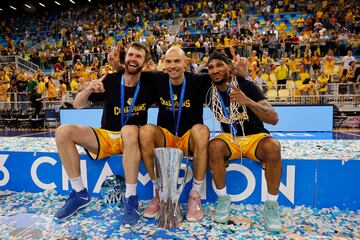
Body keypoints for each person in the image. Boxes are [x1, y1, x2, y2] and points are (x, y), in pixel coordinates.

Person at [54, 42, 155, 226]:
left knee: (130, 129)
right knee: (63, 132)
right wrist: (89, 89)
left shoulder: (150, 83)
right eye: (131, 54)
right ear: (126, 58)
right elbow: (77, 104)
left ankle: (131, 197)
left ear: (145, 62)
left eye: (138, 56)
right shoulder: (110, 80)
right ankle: (79, 193)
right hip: (106, 136)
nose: (133, 58)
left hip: (132, 139)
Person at [206, 52, 282, 232]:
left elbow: (273, 118)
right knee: (214, 146)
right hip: (230, 139)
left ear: (229, 68)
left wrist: (246, 101)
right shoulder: (208, 89)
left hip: (255, 138)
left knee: (273, 146)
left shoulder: (247, 86)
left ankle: (271, 206)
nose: (215, 70)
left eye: (219, 65)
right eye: (211, 67)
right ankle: (223, 200)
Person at [138, 46, 211, 222]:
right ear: (163, 63)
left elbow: (223, 76)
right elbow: (131, 70)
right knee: (145, 131)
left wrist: (240, 72)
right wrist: (118, 63)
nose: (172, 66)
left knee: (201, 130)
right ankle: (159, 192)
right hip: (166, 139)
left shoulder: (199, 81)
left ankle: (195, 194)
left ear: (185, 63)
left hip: (188, 139)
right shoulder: (157, 79)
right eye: (168, 61)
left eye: (177, 61)